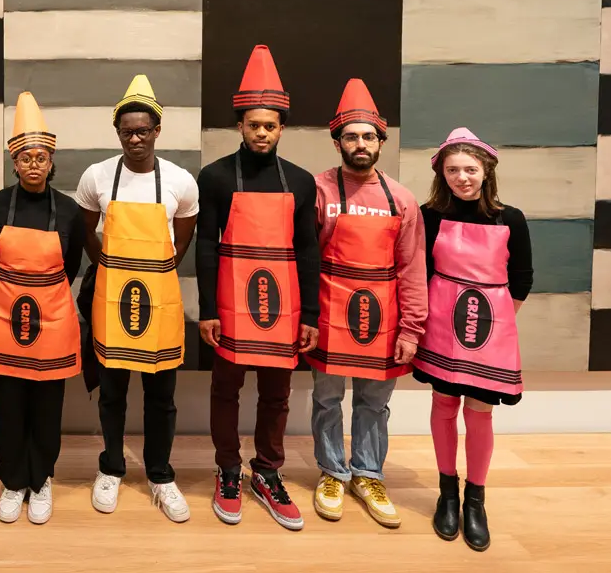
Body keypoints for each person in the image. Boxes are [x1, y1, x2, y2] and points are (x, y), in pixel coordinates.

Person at [196, 45, 321, 531]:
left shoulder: (304, 182)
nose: (262, 133)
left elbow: (309, 250)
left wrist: (310, 314)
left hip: (283, 307)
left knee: (277, 394)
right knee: (225, 390)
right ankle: (227, 469)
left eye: (270, 125)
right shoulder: (216, 177)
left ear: (281, 127)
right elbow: (206, 244)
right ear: (240, 127)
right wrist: (207, 309)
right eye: (254, 125)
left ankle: (267, 472)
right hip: (230, 305)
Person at [76, 75, 199, 523]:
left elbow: (182, 239)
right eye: (127, 131)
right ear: (118, 132)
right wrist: (113, 269)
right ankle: (111, 466)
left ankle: (161, 474)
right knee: (112, 391)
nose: (135, 138)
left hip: (160, 301)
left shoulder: (181, 182)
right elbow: (86, 232)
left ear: (157, 131)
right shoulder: (97, 177)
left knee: (161, 395)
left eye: (143, 130)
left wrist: (153, 272)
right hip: (113, 298)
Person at [305, 78, 427, 529]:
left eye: (369, 136)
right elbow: (304, 259)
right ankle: (332, 472)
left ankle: (368, 474)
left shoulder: (403, 200)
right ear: (338, 140)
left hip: (384, 318)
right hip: (331, 313)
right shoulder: (317, 190)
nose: (361, 144)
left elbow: (414, 268)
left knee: (374, 403)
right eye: (352, 136)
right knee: (327, 399)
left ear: (381, 141)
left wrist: (412, 329)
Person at [413, 128, 532, 553]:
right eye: (452, 170)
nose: (462, 177)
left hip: (491, 331)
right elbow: (419, 272)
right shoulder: (429, 215)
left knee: (480, 412)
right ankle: (447, 494)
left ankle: (475, 501)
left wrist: (494, 322)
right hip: (442, 326)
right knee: (444, 405)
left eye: (469, 169)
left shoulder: (510, 217)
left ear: (487, 171)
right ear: (441, 175)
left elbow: (521, 280)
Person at [0, 92, 86, 525]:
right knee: (8, 403)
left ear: (51, 159)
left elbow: (72, 266)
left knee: (46, 405)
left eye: (40, 156)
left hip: (53, 319)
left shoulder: (71, 210)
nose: (33, 164)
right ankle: (12, 480)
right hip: (4, 319)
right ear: (15, 163)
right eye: (25, 157)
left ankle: (41, 480)